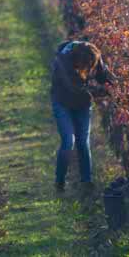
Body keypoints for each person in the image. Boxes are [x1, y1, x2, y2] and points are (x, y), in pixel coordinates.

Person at [50, 40, 114, 193]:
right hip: (62, 101)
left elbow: (103, 76)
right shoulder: (63, 61)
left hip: (82, 104)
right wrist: (100, 92)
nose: (89, 70)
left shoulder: (92, 55)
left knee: (83, 142)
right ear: (78, 61)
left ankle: (87, 182)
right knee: (68, 142)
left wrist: (115, 86)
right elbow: (77, 89)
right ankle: (59, 183)